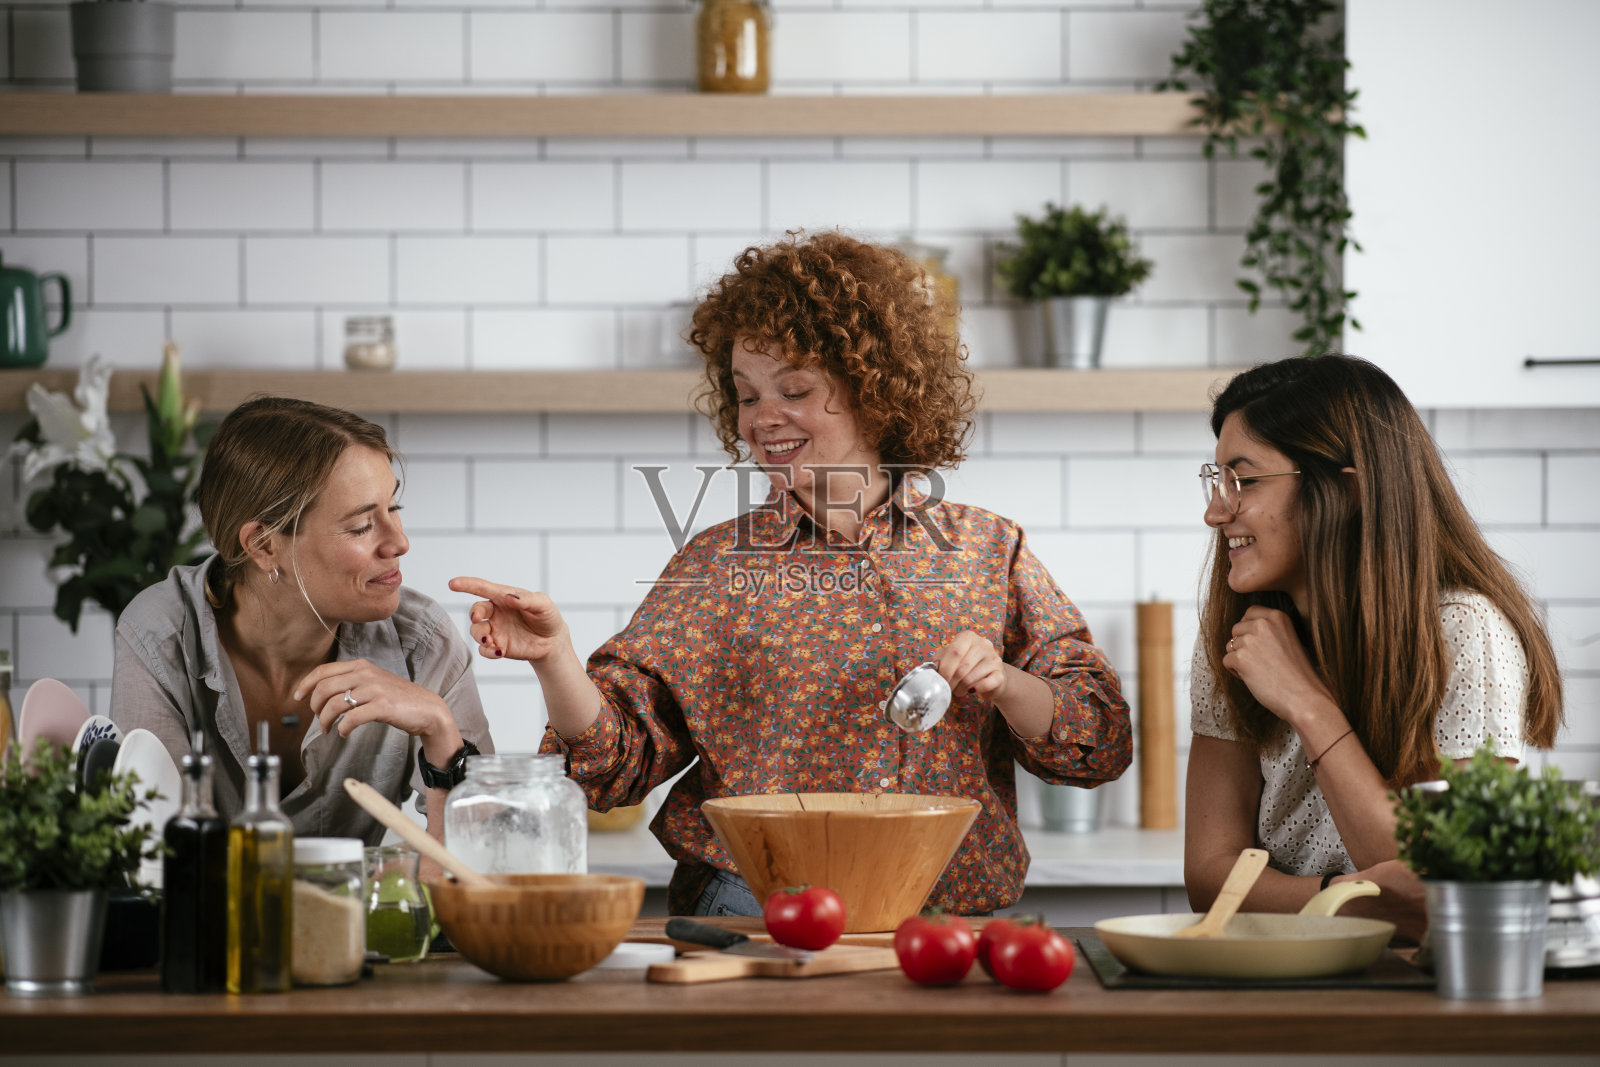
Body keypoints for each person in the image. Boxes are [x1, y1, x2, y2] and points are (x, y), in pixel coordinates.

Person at [453, 231, 1132, 917]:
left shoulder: (987, 551)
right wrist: (553, 657)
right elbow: (612, 764)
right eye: (746, 396)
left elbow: (1099, 741)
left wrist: (1007, 684)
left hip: (945, 916)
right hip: (752, 910)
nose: (762, 420)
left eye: (795, 389)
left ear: (876, 389)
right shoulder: (717, 566)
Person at [1185, 355, 1563, 941]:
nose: (1216, 511)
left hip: (1420, 979)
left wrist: (1308, 706)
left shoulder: (1466, 632)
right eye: (1217, 480)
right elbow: (1210, 877)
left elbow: (1442, 884)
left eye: (1245, 480)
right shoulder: (1240, 637)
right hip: (1273, 966)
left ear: (1348, 489)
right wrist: (1343, 901)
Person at [112, 397, 493, 846]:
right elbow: (153, 857)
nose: (400, 542)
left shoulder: (423, 642)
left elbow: (481, 864)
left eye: (394, 510)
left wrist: (440, 731)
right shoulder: (161, 635)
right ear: (265, 545)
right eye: (360, 527)